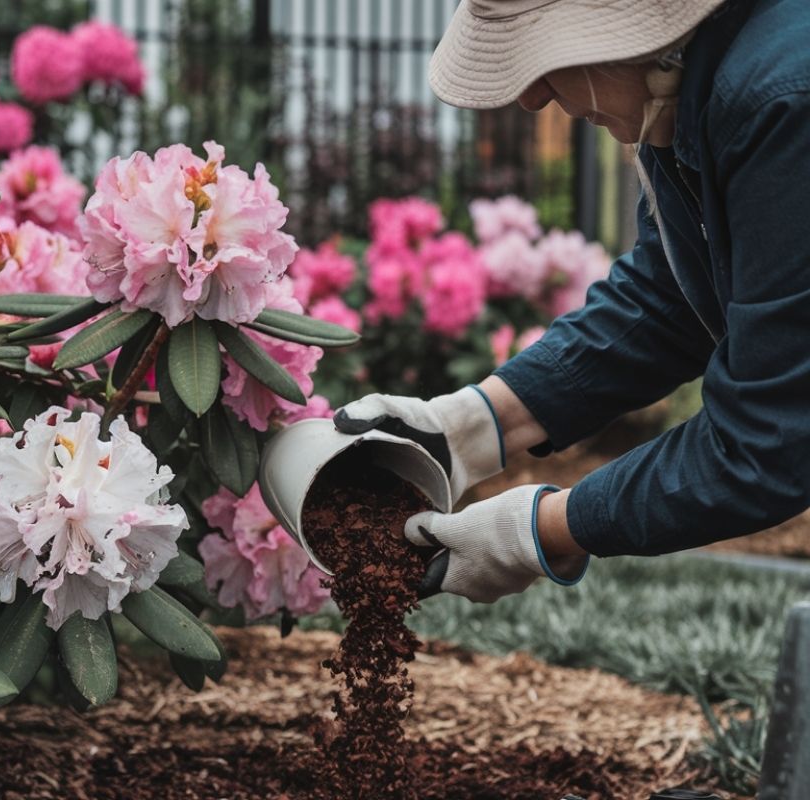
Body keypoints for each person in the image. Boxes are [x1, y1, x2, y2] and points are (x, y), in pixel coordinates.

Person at [335, 0, 810, 603]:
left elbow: (764, 443)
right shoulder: (685, 90)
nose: (531, 97)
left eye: (544, 55)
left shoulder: (782, 101)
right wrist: (468, 427)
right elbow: (671, 297)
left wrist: (538, 530)